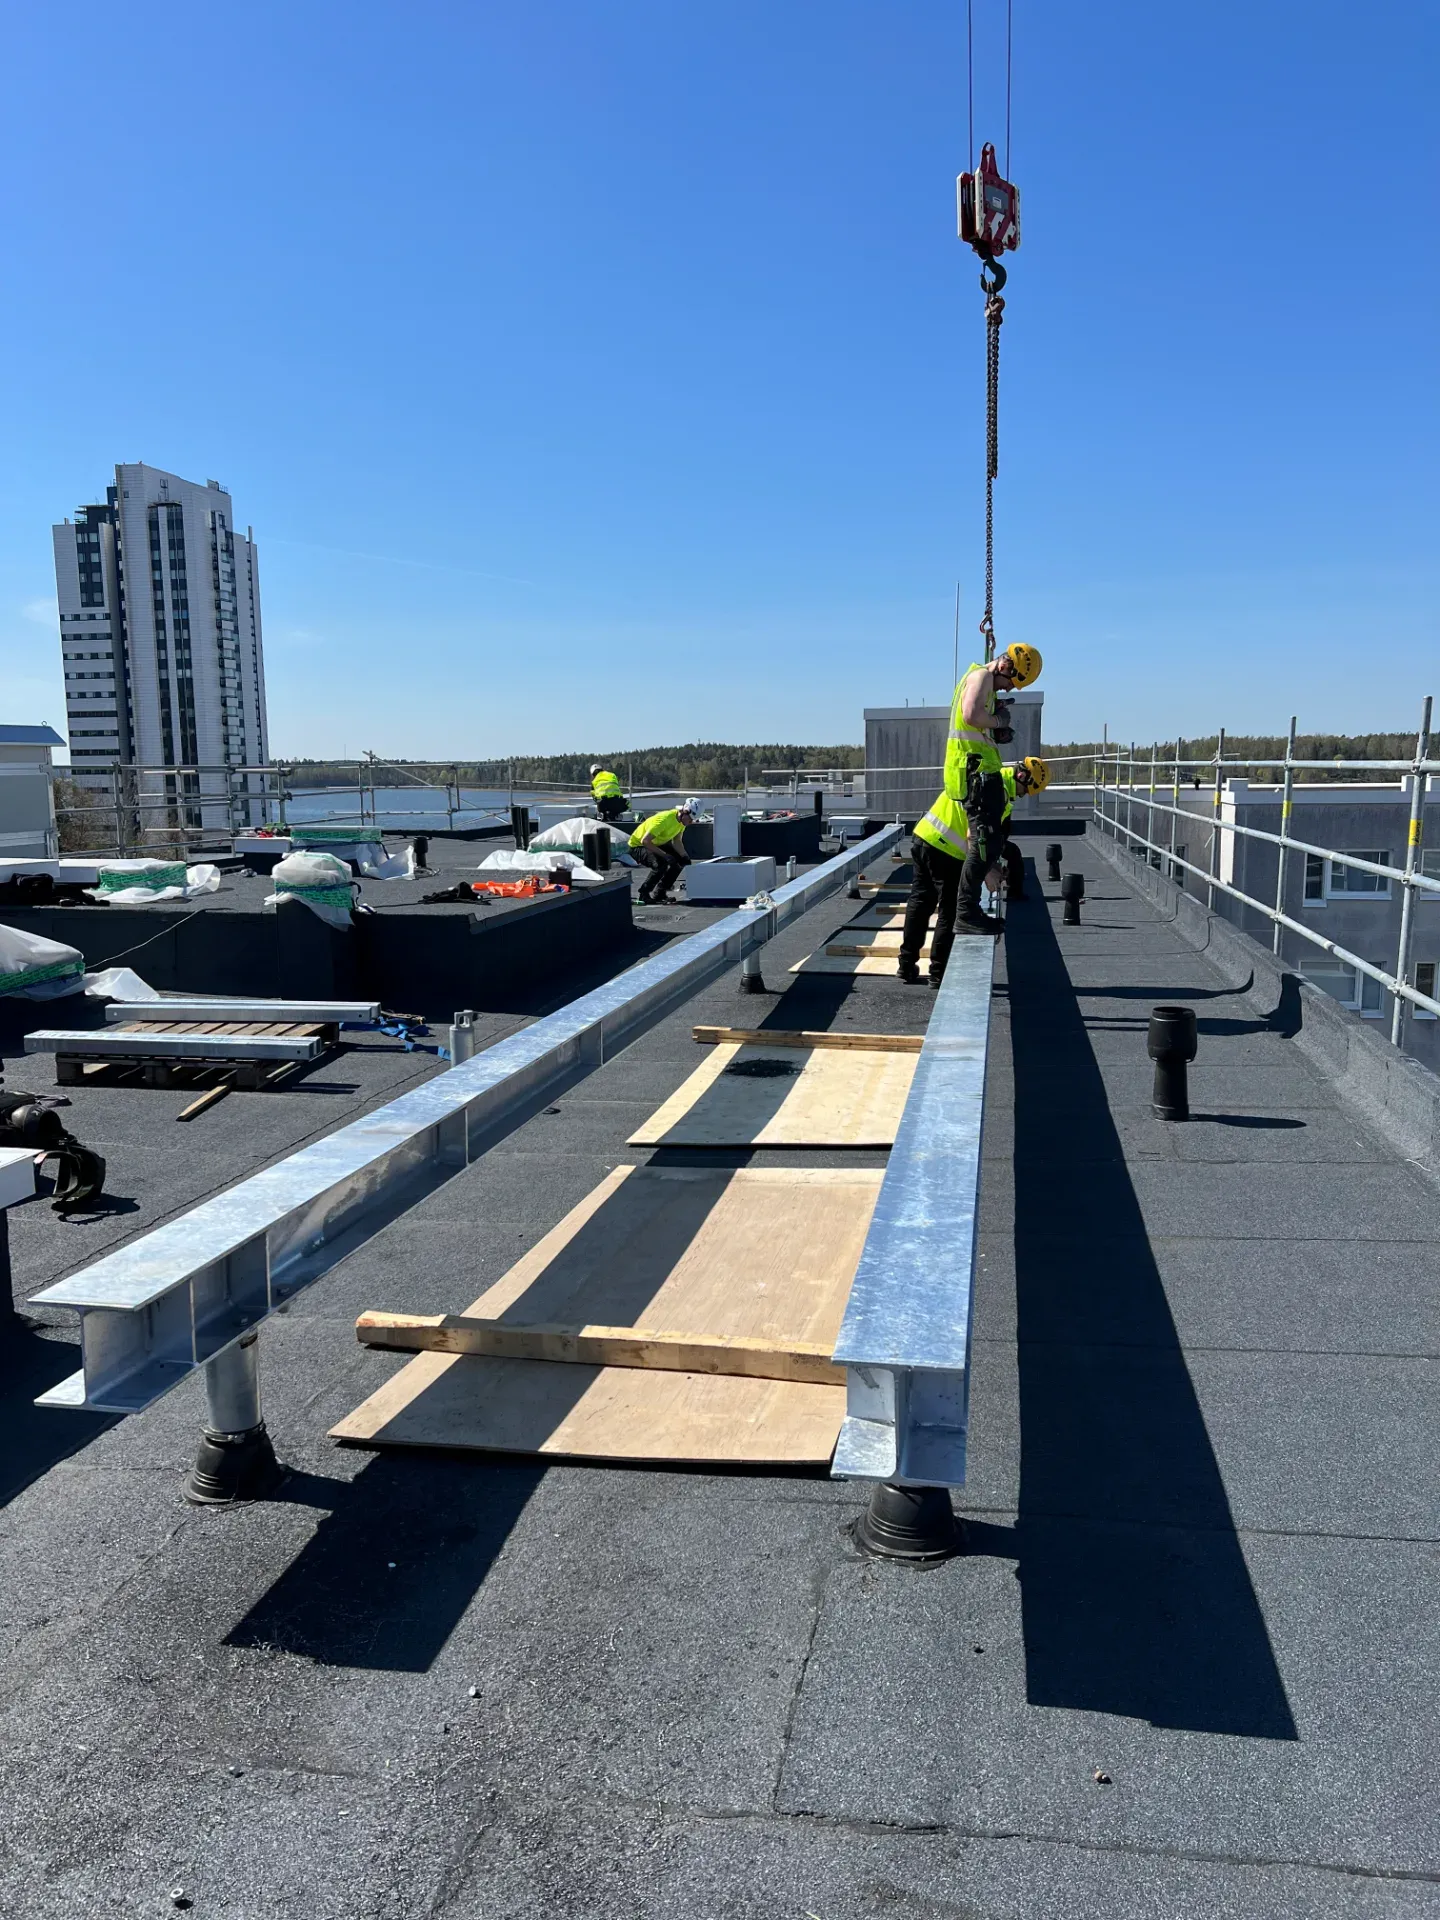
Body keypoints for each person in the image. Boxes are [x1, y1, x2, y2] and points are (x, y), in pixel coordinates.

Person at [898, 755, 1051, 985]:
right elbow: (974, 835)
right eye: (1025, 790)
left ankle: (906, 964)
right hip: (946, 850)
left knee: (920, 902)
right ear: (1022, 777)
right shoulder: (995, 791)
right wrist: (987, 871)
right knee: (951, 910)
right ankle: (939, 973)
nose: (1023, 795)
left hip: (924, 838)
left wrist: (993, 863)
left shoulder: (988, 776)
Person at [944, 642, 1043, 935]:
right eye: (1011, 682)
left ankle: (969, 911)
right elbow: (971, 715)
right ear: (1005, 666)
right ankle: (966, 912)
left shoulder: (984, 681)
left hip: (978, 773)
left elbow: (975, 721)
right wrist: (999, 720)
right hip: (976, 774)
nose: (1009, 688)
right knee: (982, 845)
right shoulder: (982, 677)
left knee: (987, 844)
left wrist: (993, 723)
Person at [628, 799, 700, 904]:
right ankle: (644, 893)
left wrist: (684, 856)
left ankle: (660, 893)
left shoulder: (681, 822)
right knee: (660, 864)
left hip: (656, 843)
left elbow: (677, 841)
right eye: (690, 819)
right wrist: (664, 855)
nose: (691, 822)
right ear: (684, 812)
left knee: (680, 861)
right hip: (638, 846)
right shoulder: (664, 820)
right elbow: (645, 841)